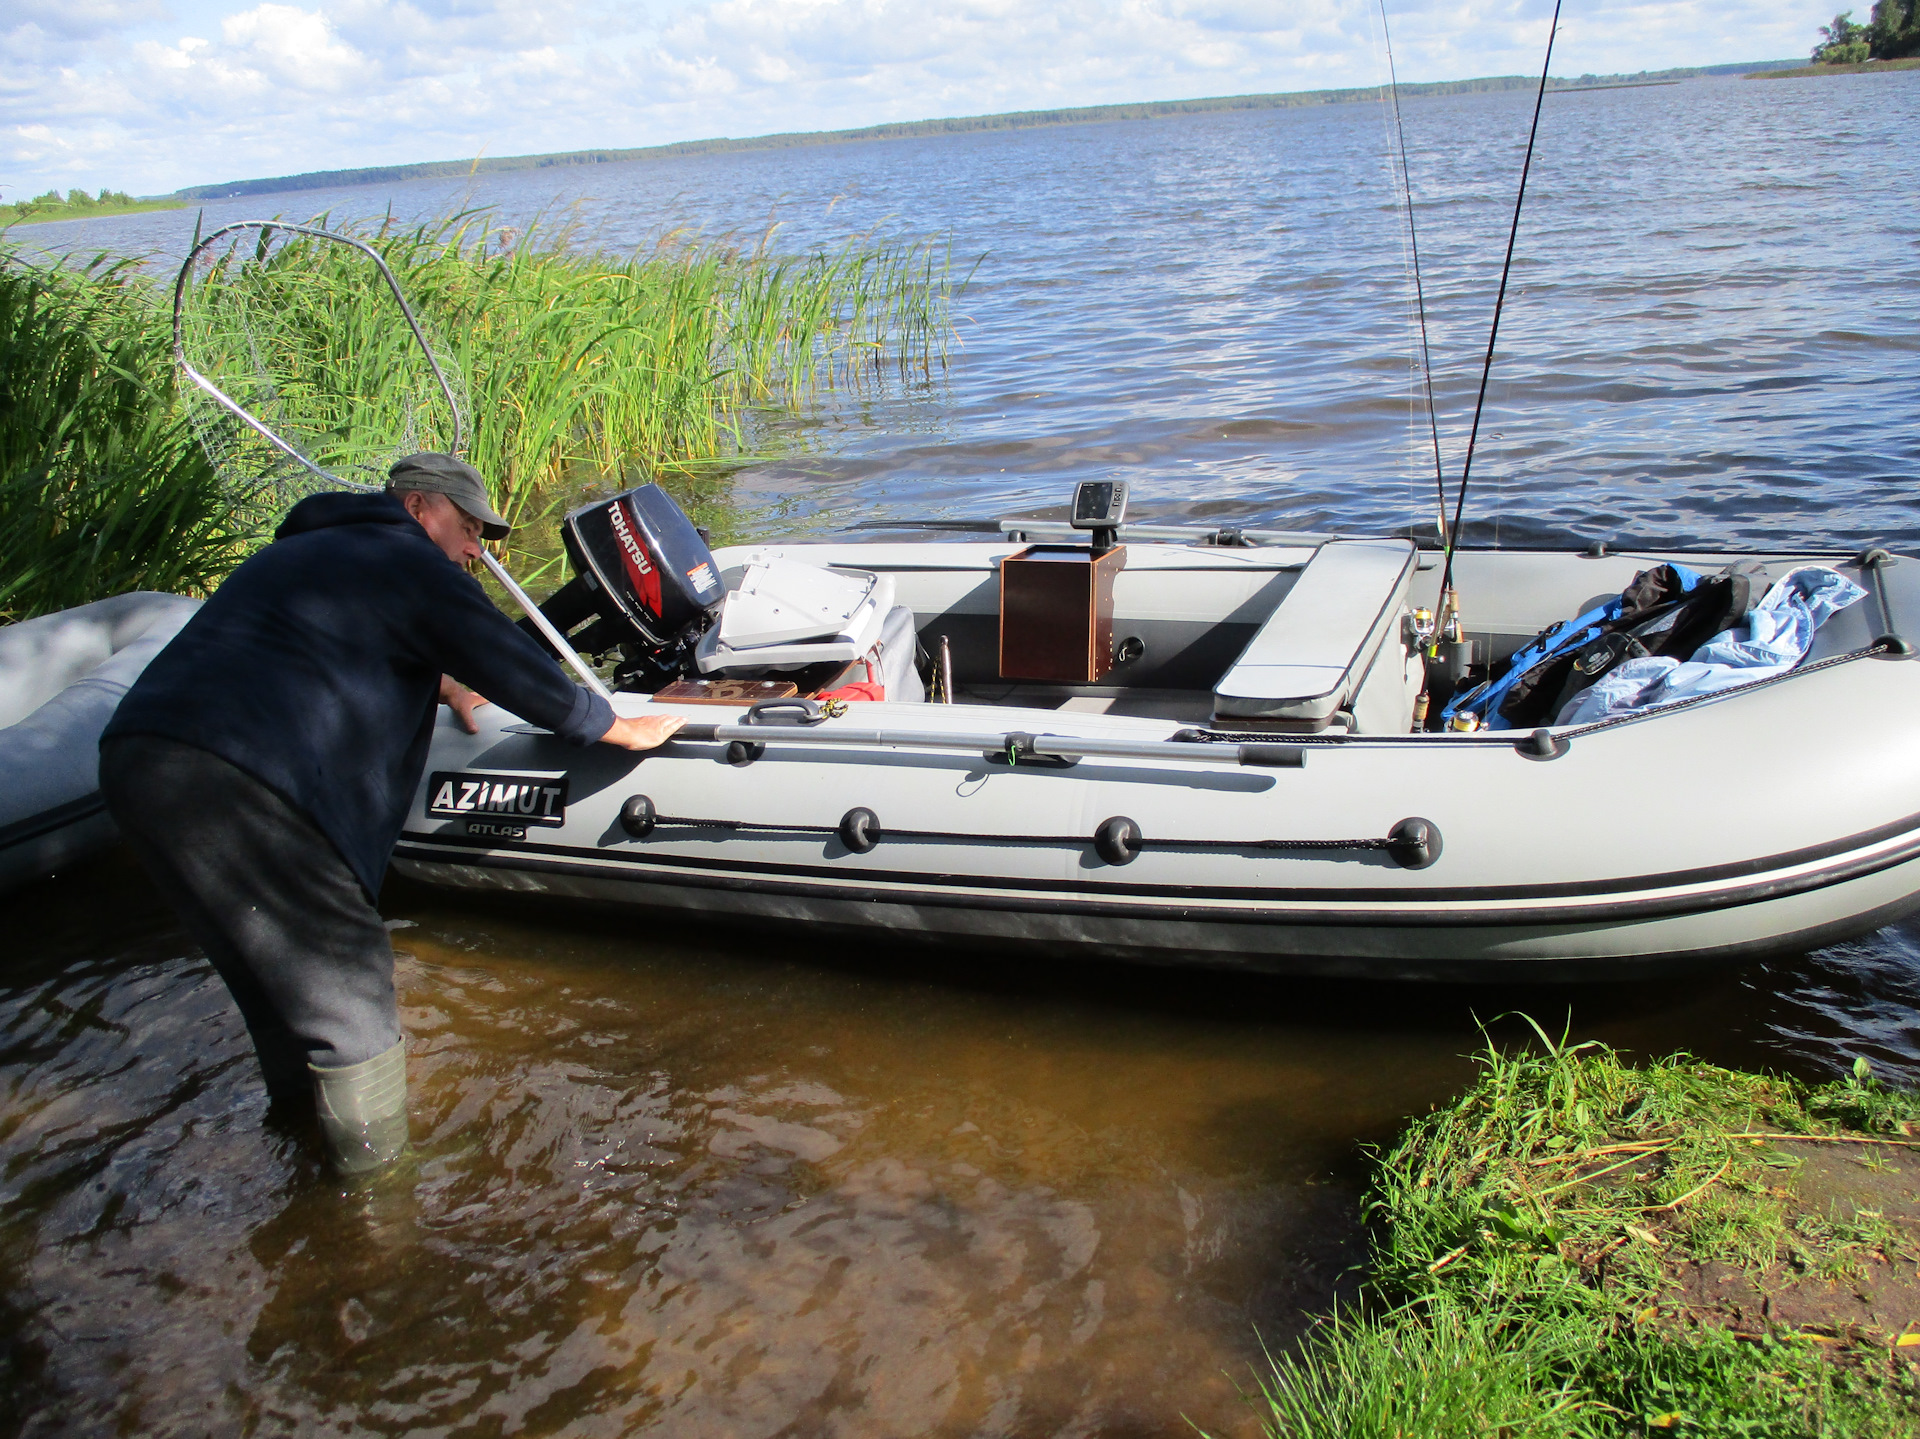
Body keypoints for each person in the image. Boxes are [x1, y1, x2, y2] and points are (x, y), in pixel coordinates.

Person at [99, 453, 683, 1175]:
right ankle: (377, 1201)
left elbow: (311, 651)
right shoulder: (403, 557)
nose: (474, 550)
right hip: (246, 776)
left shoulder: (309, 550)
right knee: (348, 987)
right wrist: (611, 725)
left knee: (272, 987)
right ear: (417, 509)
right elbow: (506, 658)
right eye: (467, 528)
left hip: (139, 759)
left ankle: (298, 1144)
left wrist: (433, 680)